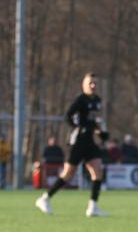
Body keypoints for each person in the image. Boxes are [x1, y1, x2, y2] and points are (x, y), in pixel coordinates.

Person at [35, 73, 110, 217]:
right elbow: (68, 116)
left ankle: (92, 206)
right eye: (90, 83)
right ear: (84, 85)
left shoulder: (97, 101)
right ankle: (44, 199)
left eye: (95, 83)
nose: (93, 86)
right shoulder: (80, 100)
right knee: (68, 174)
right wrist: (77, 127)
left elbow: (92, 121)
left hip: (89, 141)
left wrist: (99, 132)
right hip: (78, 142)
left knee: (98, 170)